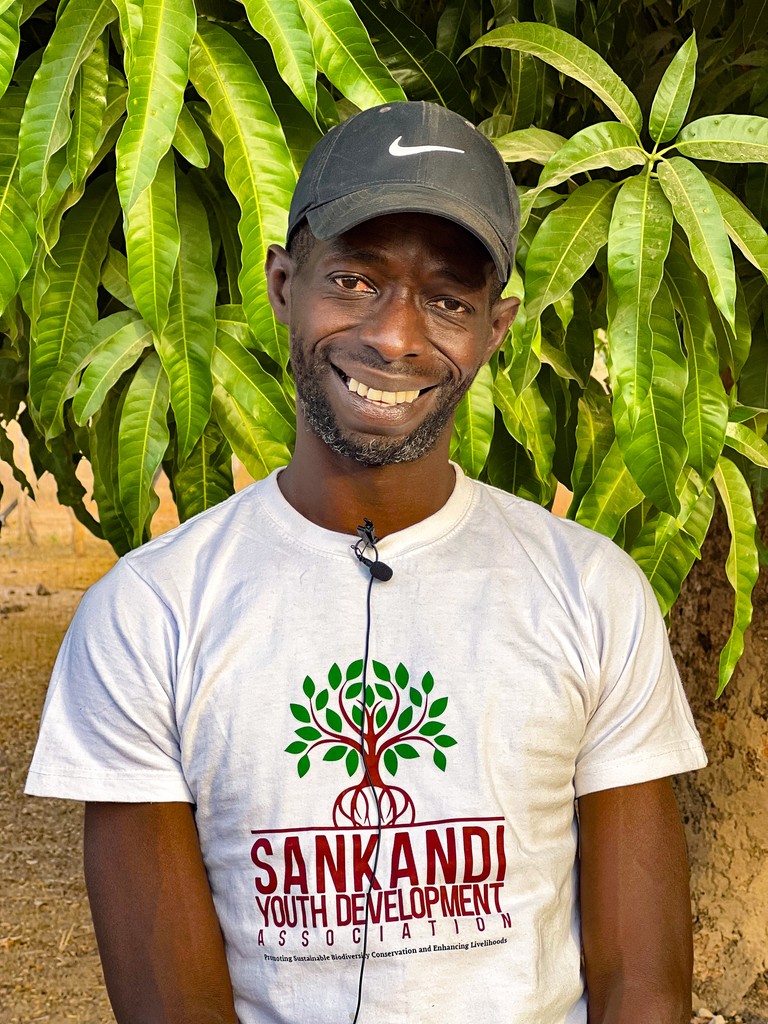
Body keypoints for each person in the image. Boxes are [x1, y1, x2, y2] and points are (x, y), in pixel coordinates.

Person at [26, 101, 707, 1024]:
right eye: (353, 280)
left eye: (447, 300)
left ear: (495, 329)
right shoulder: (151, 616)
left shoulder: (592, 595)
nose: (394, 336)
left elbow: (645, 991)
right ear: (280, 284)